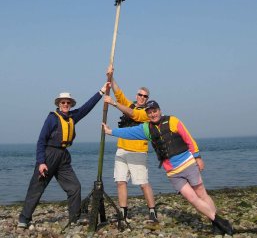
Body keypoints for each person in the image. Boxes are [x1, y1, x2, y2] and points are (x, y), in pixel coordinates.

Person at [103, 99, 234, 236]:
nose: (153, 114)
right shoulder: (146, 129)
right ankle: (220, 221)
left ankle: (215, 224)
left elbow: (189, 139)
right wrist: (110, 131)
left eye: (155, 111)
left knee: (201, 194)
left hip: (188, 164)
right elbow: (129, 132)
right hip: (172, 172)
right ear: (147, 115)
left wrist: (198, 157)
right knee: (192, 199)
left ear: (159, 110)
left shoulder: (173, 121)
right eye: (150, 112)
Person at [18, 82, 110, 229]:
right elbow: (41, 141)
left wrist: (102, 91)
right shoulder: (52, 119)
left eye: (68, 102)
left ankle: (74, 218)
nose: (66, 104)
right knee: (37, 187)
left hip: (63, 157)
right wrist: (41, 162)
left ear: (71, 104)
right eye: (63, 102)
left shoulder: (73, 116)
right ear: (59, 104)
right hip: (49, 155)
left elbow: (87, 107)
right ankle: (24, 218)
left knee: (75, 187)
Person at [106, 65, 157, 223]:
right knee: (120, 181)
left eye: (145, 96)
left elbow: (133, 114)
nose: (142, 97)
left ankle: (152, 211)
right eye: (140, 94)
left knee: (142, 183)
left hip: (137, 152)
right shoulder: (129, 104)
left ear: (147, 99)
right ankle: (123, 213)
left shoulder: (146, 113)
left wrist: (114, 104)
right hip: (122, 150)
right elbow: (118, 93)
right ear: (136, 95)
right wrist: (111, 76)